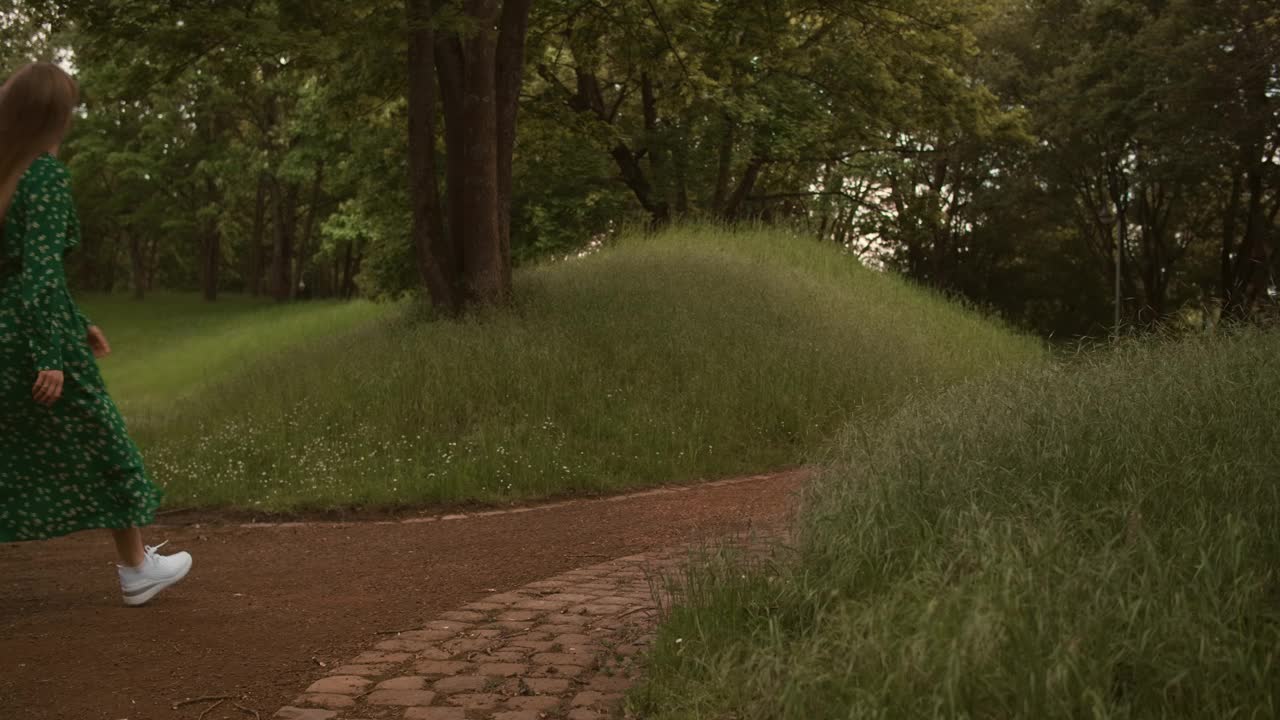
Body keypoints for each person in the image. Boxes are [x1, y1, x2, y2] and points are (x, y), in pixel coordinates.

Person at [0, 63, 191, 606]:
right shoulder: (42, 177)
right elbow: (37, 277)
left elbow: (18, 275)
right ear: (54, 118)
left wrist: (79, 321)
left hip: (12, 330)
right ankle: (136, 569)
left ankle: (137, 564)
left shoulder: (6, 176)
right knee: (103, 440)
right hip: (37, 339)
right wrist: (51, 354)